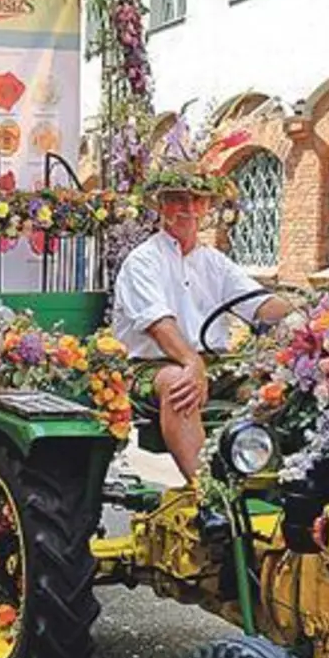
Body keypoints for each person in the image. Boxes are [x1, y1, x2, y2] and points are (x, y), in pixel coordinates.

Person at [111, 153, 293, 486]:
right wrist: (191, 362)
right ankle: (205, 489)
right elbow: (159, 325)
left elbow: (260, 304)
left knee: (282, 383)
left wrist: (306, 312)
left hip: (213, 363)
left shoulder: (214, 261)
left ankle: (269, 479)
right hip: (149, 366)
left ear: (208, 207)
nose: (189, 207)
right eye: (178, 199)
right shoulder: (143, 260)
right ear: (161, 206)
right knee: (180, 384)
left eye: (198, 200)